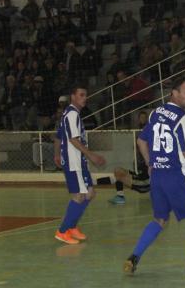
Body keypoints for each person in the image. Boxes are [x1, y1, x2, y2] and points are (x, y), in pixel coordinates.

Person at [124, 77, 185, 278]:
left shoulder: (155, 113)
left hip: (158, 176)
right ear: (174, 93)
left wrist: (151, 163)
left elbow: (141, 142)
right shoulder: (184, 119)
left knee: (159, 219)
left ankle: (133, 257)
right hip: (178, 175)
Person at [53, 85, 106, 244]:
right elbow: (73, 139)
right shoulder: (71, 115)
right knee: (79, 196)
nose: (85, 98)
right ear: (73, 97)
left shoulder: (70, 114)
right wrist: (91, 156)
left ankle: (72, 227)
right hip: (73, 161)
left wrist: (56, 154)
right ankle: (62, 231)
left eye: (86, 95)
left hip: (78, 161)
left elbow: (58, 137)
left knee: (89, 193)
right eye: (81, 95)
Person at [100, 111, 151, 204]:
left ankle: (92, 182)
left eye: (144, 117)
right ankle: (120, 196)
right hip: (139, 177)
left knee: (119, 176)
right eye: (141, 117)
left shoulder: (149, 154)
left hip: (144, 184)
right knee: (118, 170)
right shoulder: (139, 152)